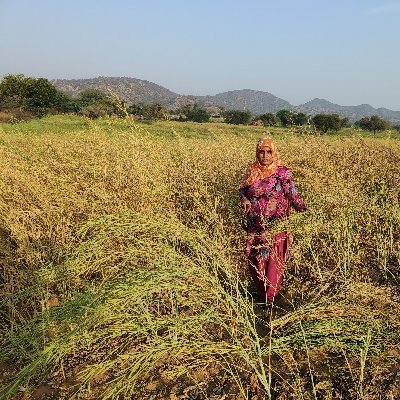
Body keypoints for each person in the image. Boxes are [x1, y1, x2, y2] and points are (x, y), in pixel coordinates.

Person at [239, 137, 307, 305]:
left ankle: (270, 299)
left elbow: (293, 194)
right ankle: (263, 293)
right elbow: (243, 190)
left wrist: (305, 212)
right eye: (261, 152)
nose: (265, 156)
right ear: (257, 153)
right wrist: (244, 199)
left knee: (273, 264)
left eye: (269, 152)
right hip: (255, 226)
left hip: (276, 226)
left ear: (274, 152)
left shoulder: (282, 172)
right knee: (256, 261)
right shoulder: (252, 170)